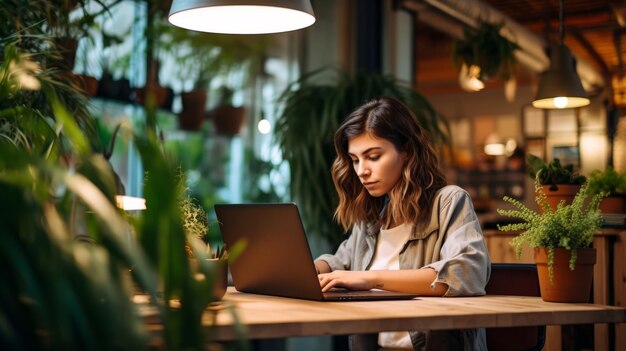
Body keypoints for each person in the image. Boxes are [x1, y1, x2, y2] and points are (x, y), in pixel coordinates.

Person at [314, 96, 490, 351]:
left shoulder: (449, 202)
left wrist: (370, 279)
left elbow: (466, 273)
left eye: (373, 156)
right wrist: (308, 270)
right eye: (355, 160)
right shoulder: (371, 218)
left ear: (407, 151)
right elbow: (341, 262)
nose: (361, 170)